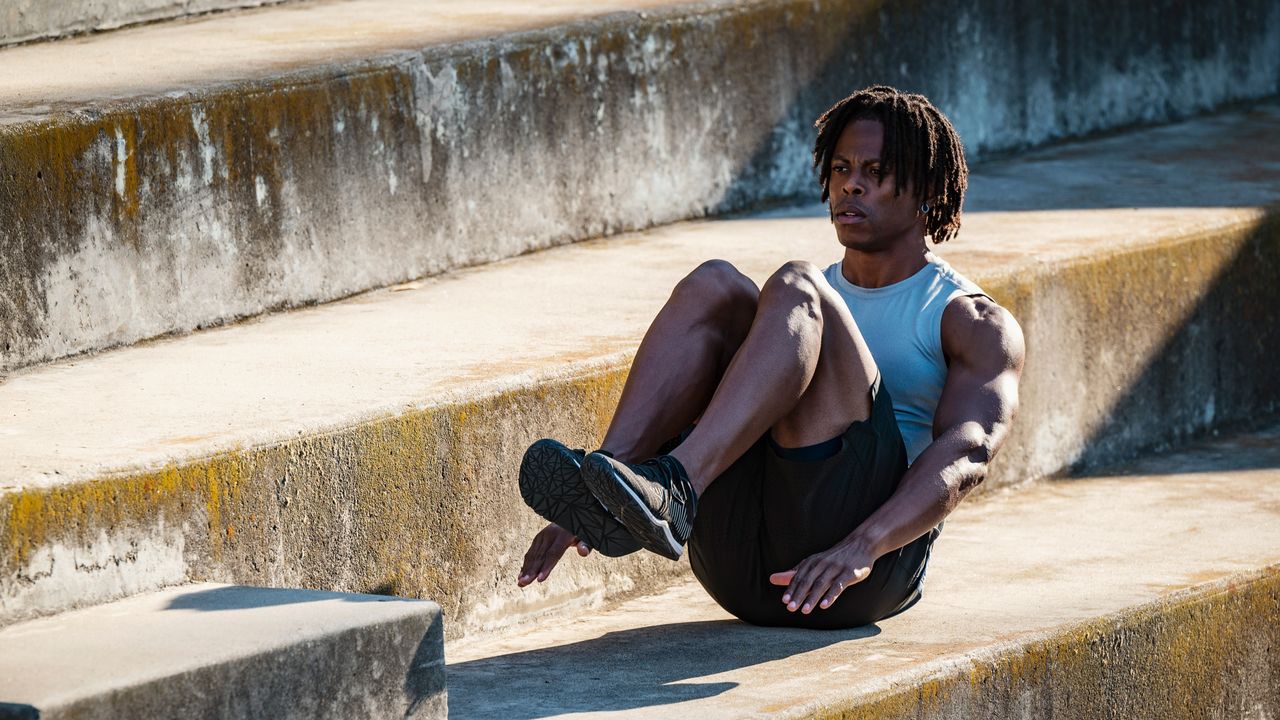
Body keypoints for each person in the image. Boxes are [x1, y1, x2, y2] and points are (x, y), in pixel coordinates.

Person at [516, 85, 1024, 628]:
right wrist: (592, 505)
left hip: (860, 574)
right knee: (717, 285)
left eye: (876, 171)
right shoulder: (803, 304)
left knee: (794, 286)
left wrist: (863, 547)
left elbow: (968, 456)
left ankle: (676, 486)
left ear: (925, 188)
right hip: (741, 570)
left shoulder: (967, 319)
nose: (851, 183)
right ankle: (607, 490)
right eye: (841, 168)